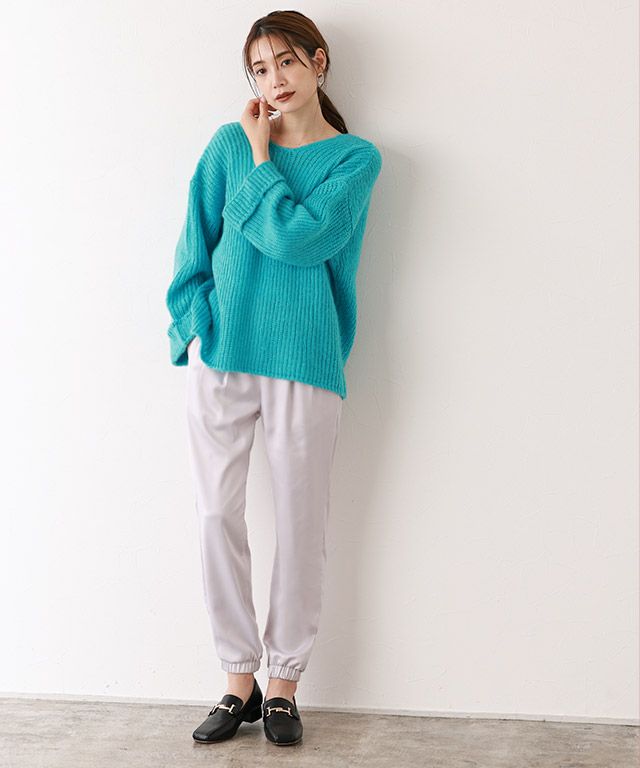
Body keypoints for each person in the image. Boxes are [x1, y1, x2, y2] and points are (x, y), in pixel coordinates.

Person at [165, 10, 383, 746]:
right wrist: (194, 329)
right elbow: (192, 247)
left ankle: (283, 685)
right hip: (223, 354)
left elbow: (301, 240)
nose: (274, 80)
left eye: (286, 62)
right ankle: (238, 679)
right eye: (259, 69)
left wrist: (262, 158)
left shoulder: (354, 159)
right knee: (214, 515)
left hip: (306, 358)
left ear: (318, 62)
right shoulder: (226, 146)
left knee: (299, 522)